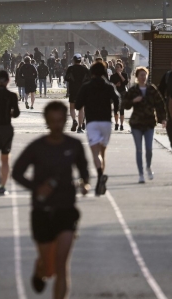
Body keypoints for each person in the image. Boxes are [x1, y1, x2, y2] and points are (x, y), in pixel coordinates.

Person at [12, 101, 90, 299]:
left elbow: (85, 172)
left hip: (66, 210)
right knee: (49, 267)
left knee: (62, 265)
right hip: (42, 211)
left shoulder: (74, 145)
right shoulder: (37, 147)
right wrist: (38, 188)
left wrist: (84, 184)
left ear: (66, 120)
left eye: (60, 121)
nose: (56, 126)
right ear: (46, 121)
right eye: (52, 121)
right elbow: (17, 172)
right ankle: (39, 268)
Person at [75, 62, 120, 196]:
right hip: (106, 121)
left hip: (92, 122)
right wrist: (116, 111)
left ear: (92, 73)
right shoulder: (109, 86)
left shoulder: (86, 87)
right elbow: (117, 98)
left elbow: (78, 105)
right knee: (103, 152)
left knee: (95, 153)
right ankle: (101, 179)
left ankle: (100, 175)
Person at [123, 67, 166, 183]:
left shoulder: (152, 89)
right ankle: (141, 173)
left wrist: (163, 119)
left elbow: (160, 104)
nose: (143, 77)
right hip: (136, 123)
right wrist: (133, 101)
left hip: (149, 123)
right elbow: (124, 104)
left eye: (144, 75)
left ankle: (148, 166)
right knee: (139, 149)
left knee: (148, 149)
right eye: (141, 75)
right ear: (137, 77)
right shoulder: (133, 90)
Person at [65, 54, 91, 132]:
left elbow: (66, 78)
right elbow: (89, 79)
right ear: (80, 60)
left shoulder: (70, 68)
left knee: (72, 108)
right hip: (82, 90)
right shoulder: (85, 69)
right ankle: (80, 127)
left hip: (73, 90)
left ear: (73, 60)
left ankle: (74, 120)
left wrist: (71, 81)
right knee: (81, 109)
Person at [110, 62, 129, 131]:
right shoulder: (112, 76)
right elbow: (110, 85)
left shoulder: (125, 75)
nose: (117, 68)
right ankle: (116, 123)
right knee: (115, 109)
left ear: (121, 68)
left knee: (122, 110)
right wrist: (116, 85)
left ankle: (121, 124)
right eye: (116, 67)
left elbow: (126, 82)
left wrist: (120, 75)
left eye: (118, 67)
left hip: (122, 93)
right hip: (115, 93)